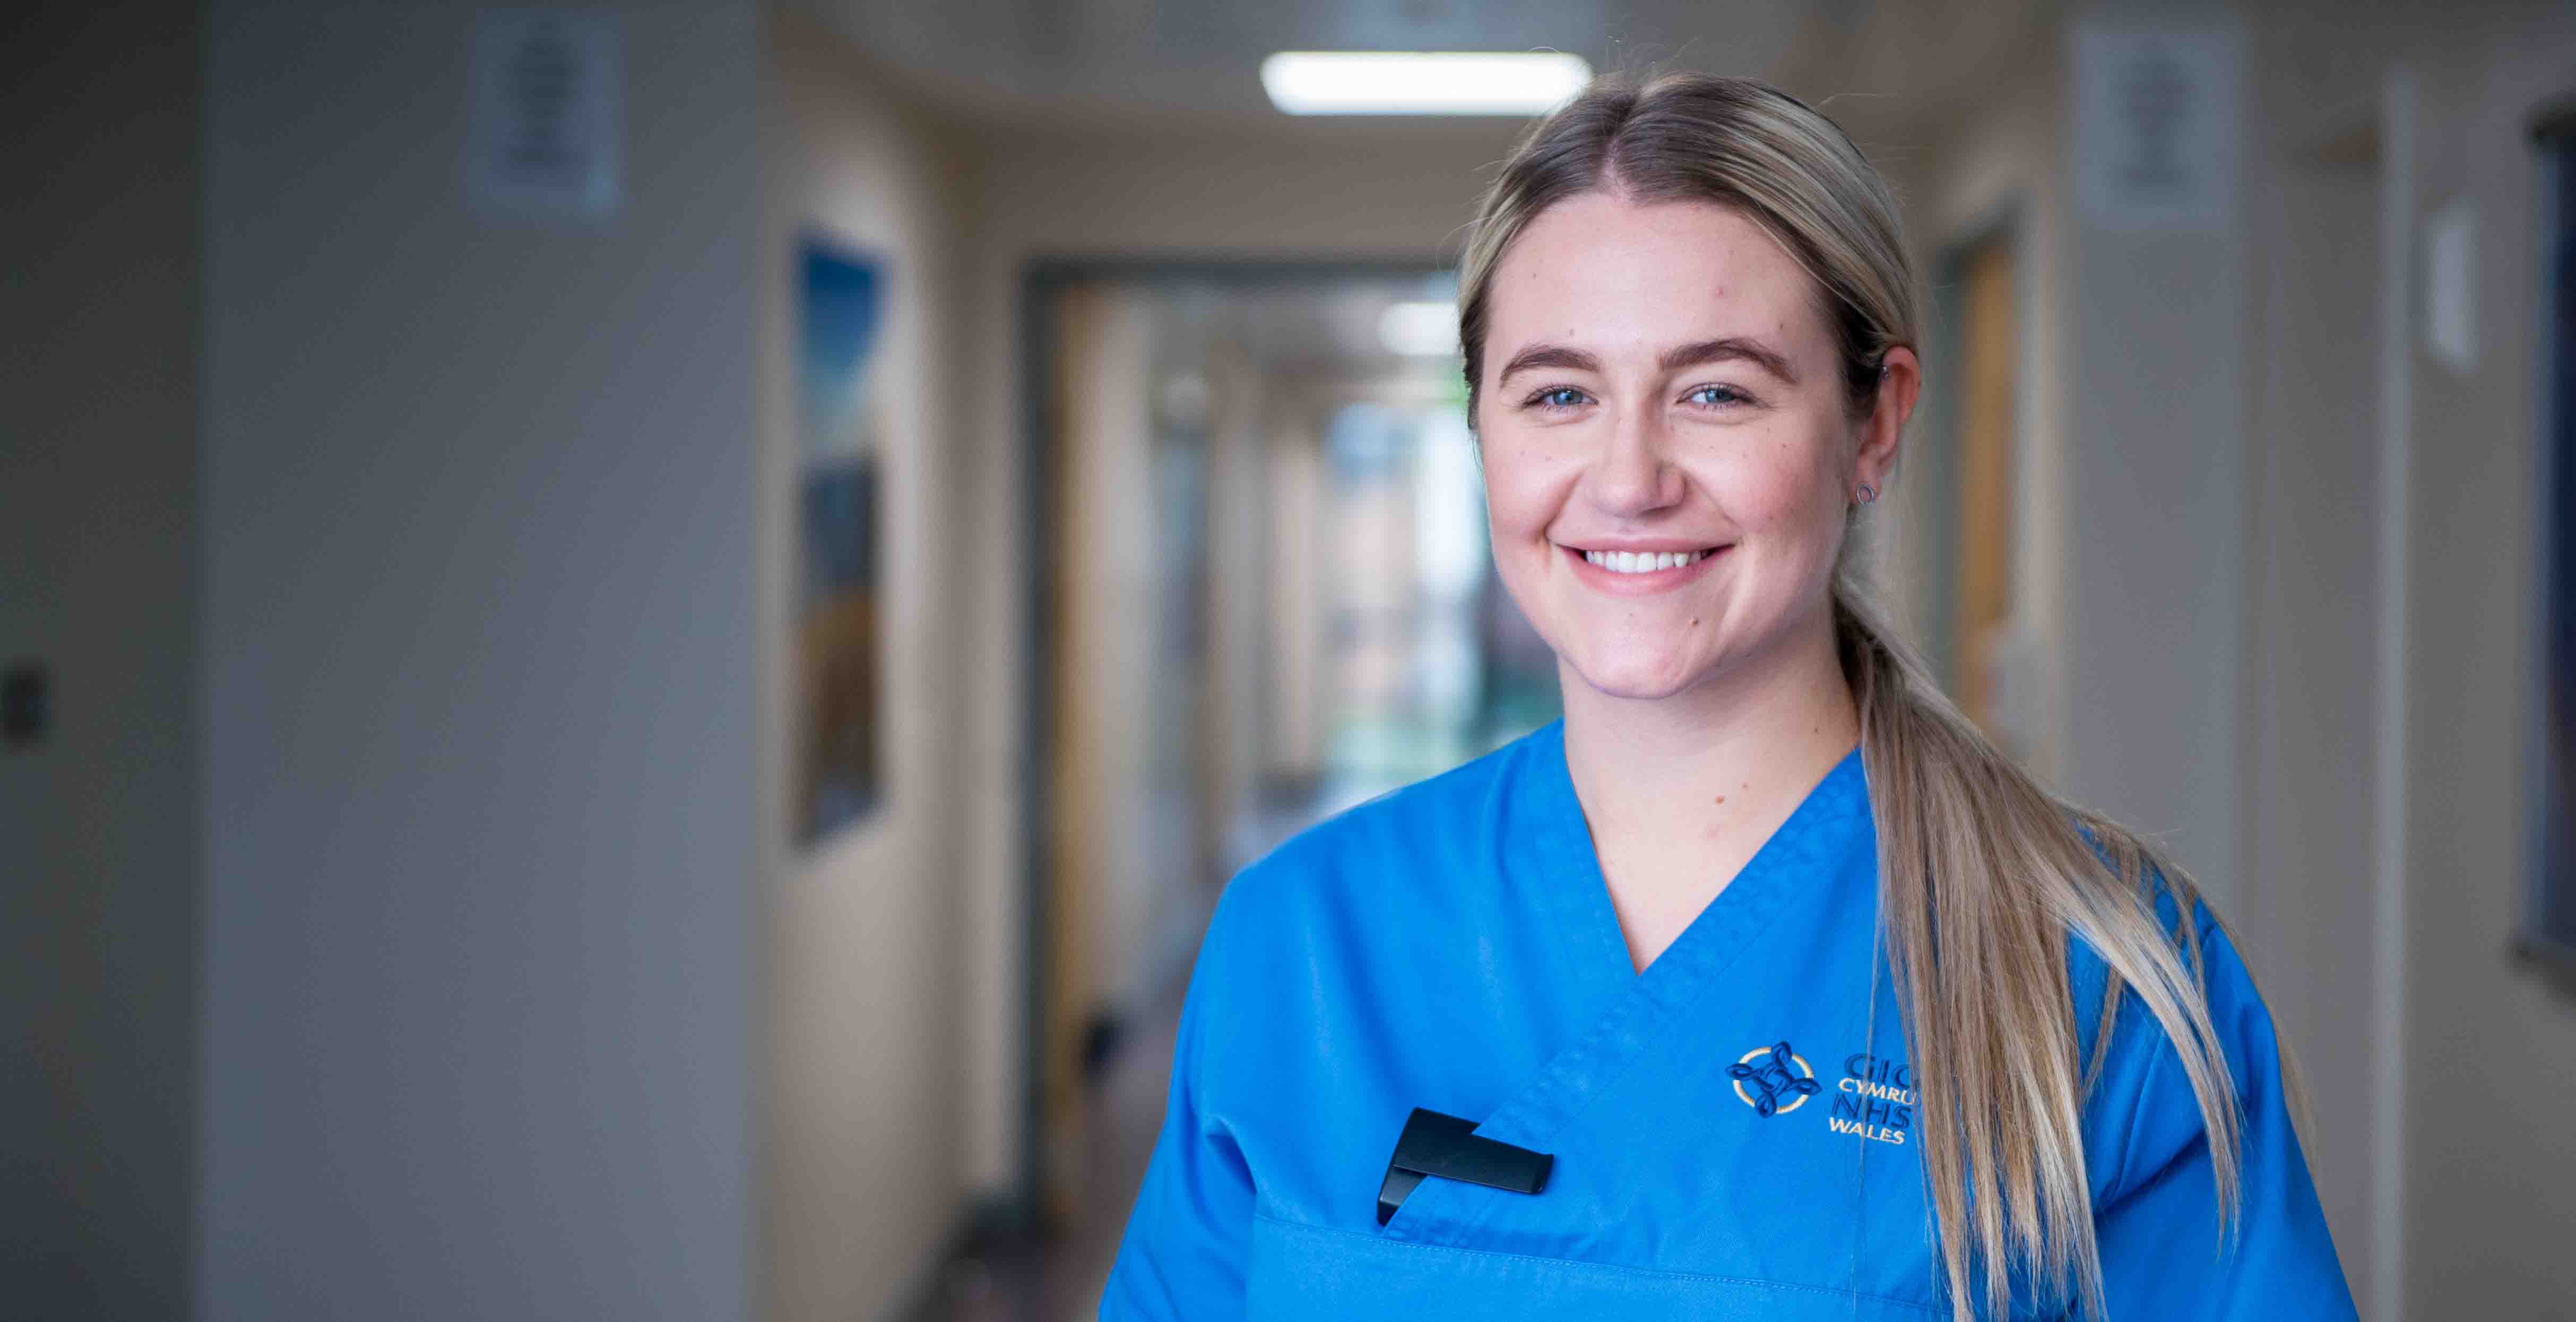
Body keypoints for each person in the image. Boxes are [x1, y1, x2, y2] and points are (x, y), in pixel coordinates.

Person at [1096, 72, 2355, 1321]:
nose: (1630, 478)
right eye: (1558, 393)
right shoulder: (1305, 940)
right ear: (1480, 423)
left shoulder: (2093, 978)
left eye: (1717, 391)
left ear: (1875, 425)